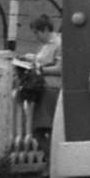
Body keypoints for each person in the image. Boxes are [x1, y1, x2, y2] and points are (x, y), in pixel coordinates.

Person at [18, 14, 62, 165]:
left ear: (44, 30)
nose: (36, 36)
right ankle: (53, 164)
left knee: (44, 130)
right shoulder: (45, 44)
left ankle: (53, 164)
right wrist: (29, 58)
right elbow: (41, 58)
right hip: (42, 88)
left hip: (52, 88)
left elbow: (60, 68)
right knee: (41, 129)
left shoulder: (58, 43)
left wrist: (40, 69)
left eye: (36, 32)